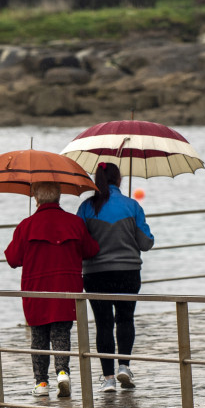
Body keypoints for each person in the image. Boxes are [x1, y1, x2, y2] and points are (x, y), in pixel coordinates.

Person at [5, 181, 100, 398]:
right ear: (59, 198)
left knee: (38, 336)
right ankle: (63, 372)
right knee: (61, 332)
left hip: (36, 289)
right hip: (66, 288)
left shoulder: (26, 225)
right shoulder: (74, 222)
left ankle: (41, 384)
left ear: (36, 199)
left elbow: (12, 259)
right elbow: (91, 249)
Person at [76, 162, 154, 393]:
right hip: (128, 272)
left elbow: (80, 242)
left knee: (103, 323)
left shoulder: (86, 207)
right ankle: (124, 366)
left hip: (95, 273)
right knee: (125, 318)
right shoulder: (131, 205)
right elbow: (145, 243)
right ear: (119, 180)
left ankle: (108, 378)